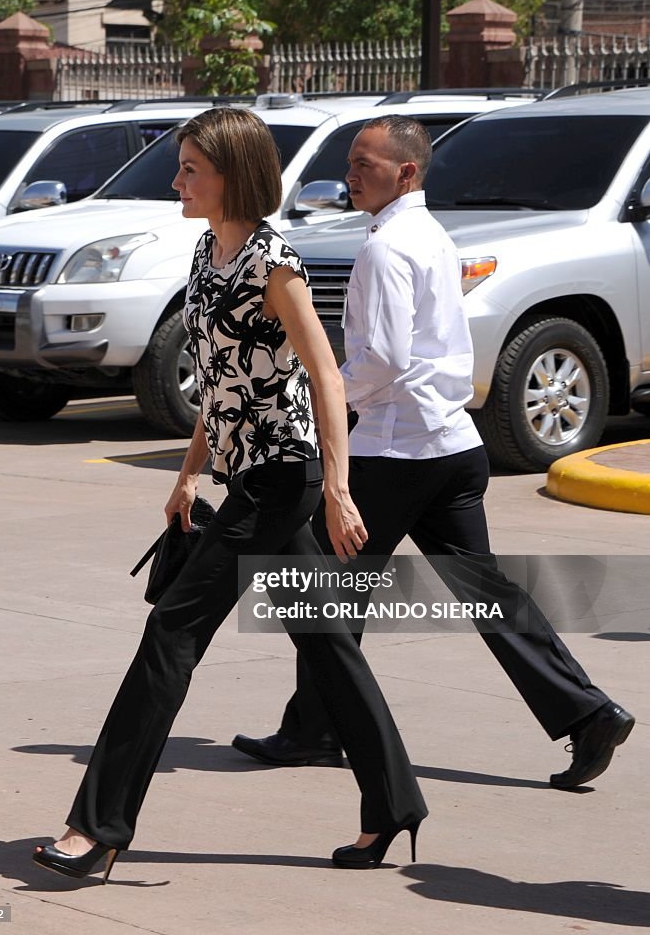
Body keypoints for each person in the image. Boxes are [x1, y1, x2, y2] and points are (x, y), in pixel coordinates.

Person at [32, 107, 427, 883]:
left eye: (191, 170)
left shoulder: (273, 264)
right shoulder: (208, 253)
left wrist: (338, 491)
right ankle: (394, 806)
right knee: (327, 646)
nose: (177, 181)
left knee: (170, 637)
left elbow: (326, 375)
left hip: (283, 478)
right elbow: (220, 386)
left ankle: (99, 826)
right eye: (179, 167)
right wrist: (187, 472)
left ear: (232, 176)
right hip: (245, 471)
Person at [232, 115, 635, 790]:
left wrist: (328, 391)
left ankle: (313, 729)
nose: (352, 174)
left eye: (366, 164)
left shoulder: (387, 248)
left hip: (395, 452)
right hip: (448, 445)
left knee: (327, 592)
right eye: (352, 163)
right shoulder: (431, 236)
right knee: (478, 594)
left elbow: (384, 358)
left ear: (406, 173)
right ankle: (587, 712)